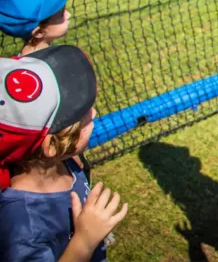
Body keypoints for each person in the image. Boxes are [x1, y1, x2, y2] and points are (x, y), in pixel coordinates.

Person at [0, 45, 128, 261]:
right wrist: (85, 241)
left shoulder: (66, 161)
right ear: (52, 146)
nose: (94, 113)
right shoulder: (22, 223)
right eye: (83, 117)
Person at [0, 0, 70, 56]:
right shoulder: (37, 68)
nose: (68, 15)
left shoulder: (50, 55)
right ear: (39, 32)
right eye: (61, 14)